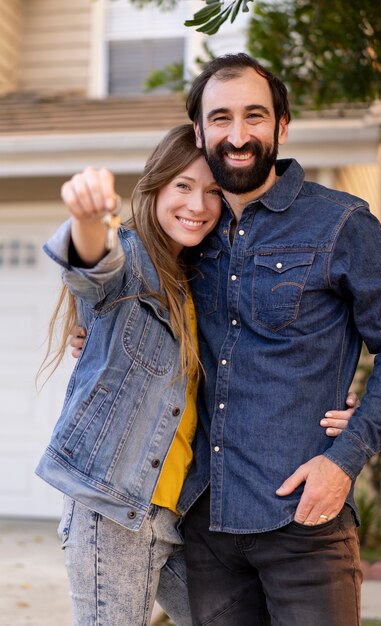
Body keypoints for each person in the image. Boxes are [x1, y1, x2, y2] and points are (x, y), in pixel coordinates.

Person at [170, 53, 381, 626]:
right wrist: (90, 330)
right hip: (207, 522)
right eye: (221, 118)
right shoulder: (187, 232)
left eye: (254, 116)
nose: (238, 135)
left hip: (306, 520)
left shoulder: (340, 223)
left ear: (281, 126)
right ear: (200, 133)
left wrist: (347, 456)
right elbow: (127, 304)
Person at [35, 124, 223, 626]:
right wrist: (87, 218)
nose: (199, 204)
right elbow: (92, 264)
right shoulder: (134, 260)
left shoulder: (194, 283)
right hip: (114, 512)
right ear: (157, 186)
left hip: (174, 517)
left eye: (214, 191)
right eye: (183, 186)